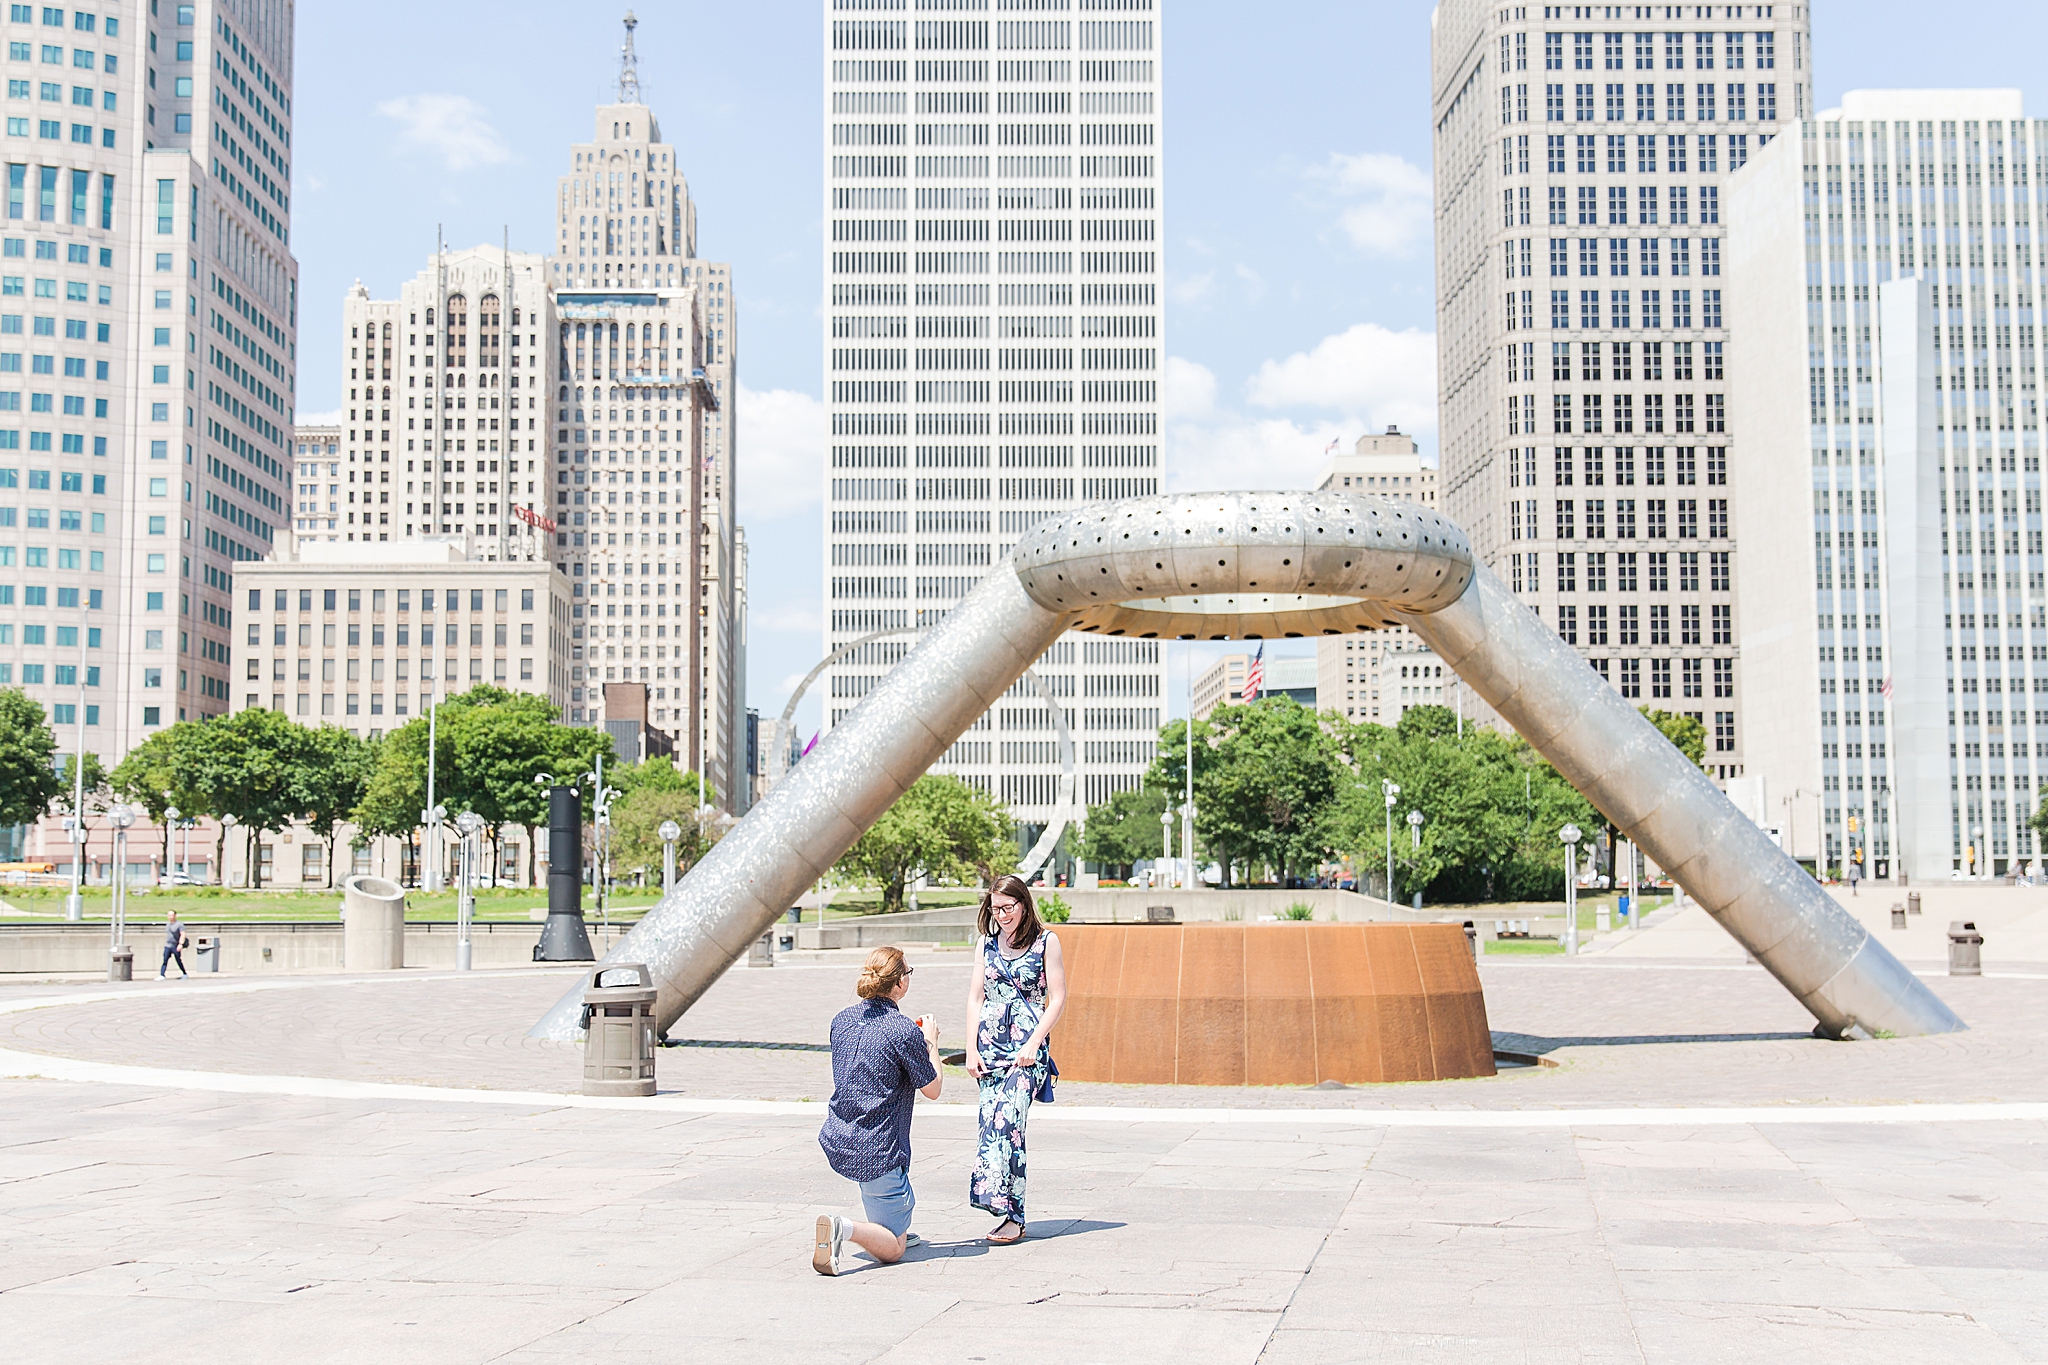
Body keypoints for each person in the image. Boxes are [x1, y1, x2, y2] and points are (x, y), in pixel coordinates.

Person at [813, 946, 942, 1276]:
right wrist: (930, 1043)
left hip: (841, 1135)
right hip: (877, 1149)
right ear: (899, 983)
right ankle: (844, 1228)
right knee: (894, 1250)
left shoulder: (842, 1020)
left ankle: (888, 1226)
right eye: (908, 973)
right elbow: (933, 1088)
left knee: (892, 1216)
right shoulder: (902, 1030)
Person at [965, 873, 1066, 1245]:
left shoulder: (1046, 942)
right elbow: (977, 998)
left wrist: (1035, 1042)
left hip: (1027, 1050)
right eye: (996, 909)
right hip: (990, 1047)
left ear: (1024, 904)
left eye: (1008, 907)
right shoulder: (986, 946)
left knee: (1008, 1124)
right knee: (990, 1127)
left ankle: (1013, 1214)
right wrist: (971, 1048)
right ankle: (1005, 1211)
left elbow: (1057, 997)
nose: (1003, 915)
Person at [159, 911, 189, 979]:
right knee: (165, 960)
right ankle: (162, 975)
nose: (170, 917)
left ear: (175, 916)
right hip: (168, 945)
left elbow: (183, 934)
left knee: (178, 960)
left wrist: (180, 944)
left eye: (171, 915)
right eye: (169, 915)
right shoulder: (168, 924)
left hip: (175, 945)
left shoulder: (179, 924)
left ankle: (184, 973)